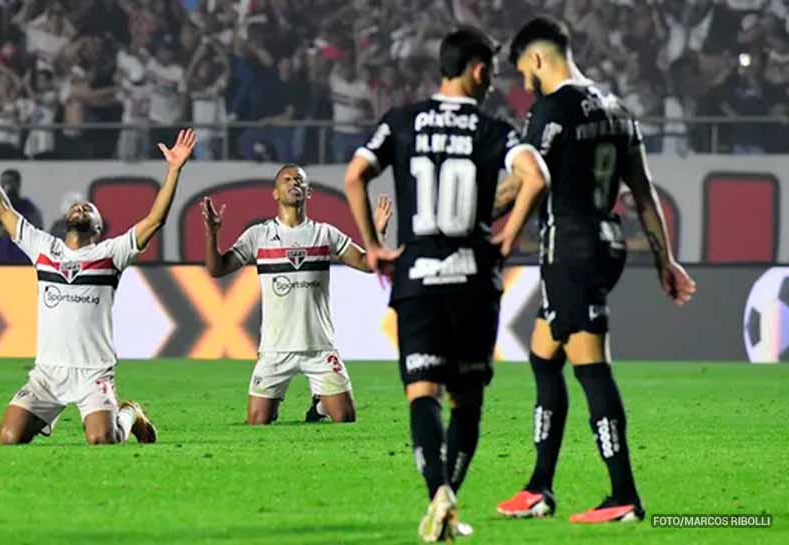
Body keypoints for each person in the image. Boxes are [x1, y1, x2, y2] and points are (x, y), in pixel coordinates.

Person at [344, 28, 548, 542]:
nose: (492, 81)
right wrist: (507, 237)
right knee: (467, 401)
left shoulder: (402, 121)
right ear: (477, 69)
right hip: (474, 279)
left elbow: (354, 176)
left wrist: (373, 245)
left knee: (422, 396)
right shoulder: (491, 127)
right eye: (491, 71)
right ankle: (449, 500)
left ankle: (437, 498)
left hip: (417, 278)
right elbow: (536, 176)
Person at [494, 17, 696, 524]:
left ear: (538, 59)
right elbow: (644, 191)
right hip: (605, 245)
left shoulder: (551, 110)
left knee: (590, 368)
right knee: (544, 357)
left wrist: (469, 209)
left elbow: (525, 184)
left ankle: (624, 494)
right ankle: (538, 487)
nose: (524, 85)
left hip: (572, 250)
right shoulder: (617, 108)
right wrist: (664, 259)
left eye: (523, 72)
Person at [0, 118, 198, 445]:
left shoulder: (111, 253)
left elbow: (155, 220)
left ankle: (130, 414)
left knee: (103, 439)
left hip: (93, 372)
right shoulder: (43, 248)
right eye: (78, 206)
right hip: (48, 373)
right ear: (66, 220)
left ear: (98, 228)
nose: (82, 207)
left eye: (90, 209)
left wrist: (174, 170)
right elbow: (1, 210)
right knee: (9, 437)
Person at [203, 164, 392, 426]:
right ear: (276, 193)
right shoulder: (259, 235)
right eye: (287, 180)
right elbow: (216, 269)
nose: (294, 184)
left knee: (345, 418)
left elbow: (367, 264)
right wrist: (212, 234)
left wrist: (377, 233)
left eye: (299, 181)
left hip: (319, 347)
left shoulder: (324, 233)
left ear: (308, 191)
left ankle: (321, 406)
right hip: (275, 349)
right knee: (258, 422)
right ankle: (284, 403)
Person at [0, 169, 43, 264]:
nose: (7, 186)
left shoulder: (27, 206)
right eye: (3, 182)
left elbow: (38, 229)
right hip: (1, 260)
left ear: (18, 184)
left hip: (21, 260)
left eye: (10, 182)